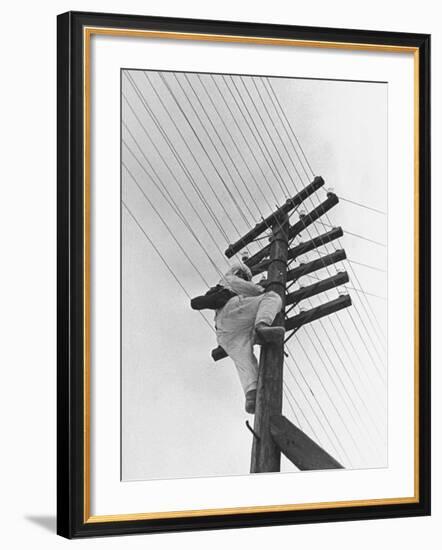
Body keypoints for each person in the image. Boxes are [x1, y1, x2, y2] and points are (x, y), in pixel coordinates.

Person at [214, 263, 284, 414]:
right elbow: (255, 290)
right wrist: (263, 288)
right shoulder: (230, 279)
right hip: (233, 311)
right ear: (240, 273)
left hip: (224, 332)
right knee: (272, 297)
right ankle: (262, 326)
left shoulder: (223, 284)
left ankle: (251, 394)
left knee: (244, 358)